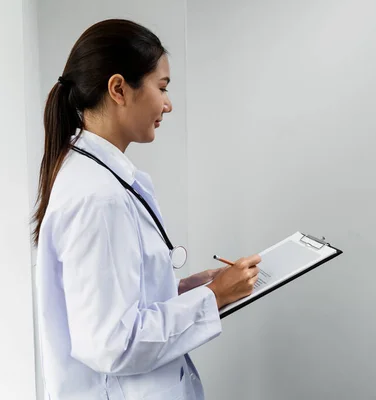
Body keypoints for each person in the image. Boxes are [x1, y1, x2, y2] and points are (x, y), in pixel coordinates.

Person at [33, 19, 261, 400]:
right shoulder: (98, 197)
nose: (168, 104)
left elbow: (119, 298)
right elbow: (112, 343)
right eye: (162, 87)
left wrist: (191, 287)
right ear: (119, 89)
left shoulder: (100, 177)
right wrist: (214, 297)